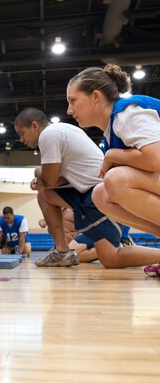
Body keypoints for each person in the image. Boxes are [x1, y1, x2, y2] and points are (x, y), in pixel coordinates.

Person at [14, 105, 160, 268]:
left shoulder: (48, 134)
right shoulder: (62, 130)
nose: (21, 139)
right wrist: (43, 182)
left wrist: (39, 175)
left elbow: (49, 180)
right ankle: (62, 251)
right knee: (45, 194)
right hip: (86, 192)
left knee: (111, 259)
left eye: (21, 133)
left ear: (34, 126)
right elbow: (55, 182)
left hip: (98, 194)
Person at [63, 64, 160, 274]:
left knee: (116, 180)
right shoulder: (112, 129)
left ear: (95, 96)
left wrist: (112, 155)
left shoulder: (128, 113)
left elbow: (155, 159)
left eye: (73, 101)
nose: (69, 110)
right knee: (101, 195)